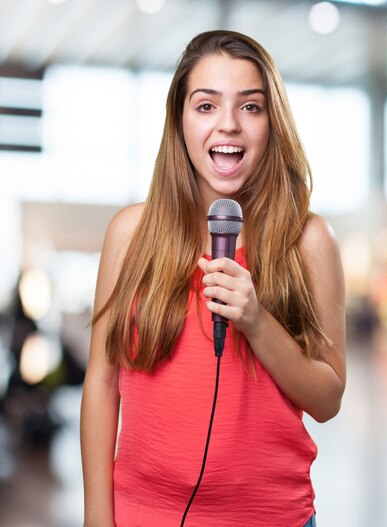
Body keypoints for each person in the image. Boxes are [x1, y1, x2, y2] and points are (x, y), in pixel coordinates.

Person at [80, 30, 346, 527]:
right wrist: (98, 516)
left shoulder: (309, 240)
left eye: (251, 107)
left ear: (273, 122)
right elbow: (101, 379)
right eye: (206, 106)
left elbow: (328, 399)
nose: (229, 125)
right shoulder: (130, 233)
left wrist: (257, 321)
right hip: (143, 516)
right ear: (179, 121)